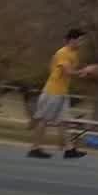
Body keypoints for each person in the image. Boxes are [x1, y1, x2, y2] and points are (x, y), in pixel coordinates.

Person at [28, 29, 89, 160]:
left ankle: (69, 150)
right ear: (72, 40)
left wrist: (82, 72)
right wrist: (83, 72)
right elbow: (67, 71)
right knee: (43, 120)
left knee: (63, 121)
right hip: (52, 92)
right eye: (80, 40)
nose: (82, 43)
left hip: (62, 93)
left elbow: (64, 70)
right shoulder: (63, 52)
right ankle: (34, 148)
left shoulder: (74, 54)